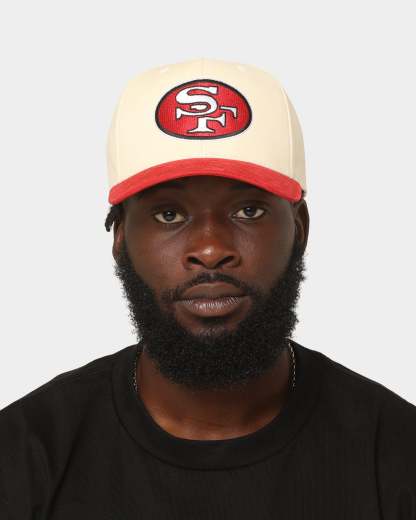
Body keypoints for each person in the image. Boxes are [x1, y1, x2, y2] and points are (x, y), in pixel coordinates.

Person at [1, 58, 415, 519]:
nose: (211, 249)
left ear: (300, 228)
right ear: (120, 239)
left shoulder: (396, 454)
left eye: (249, 211)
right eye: (169, 214)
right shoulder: (24, 456)